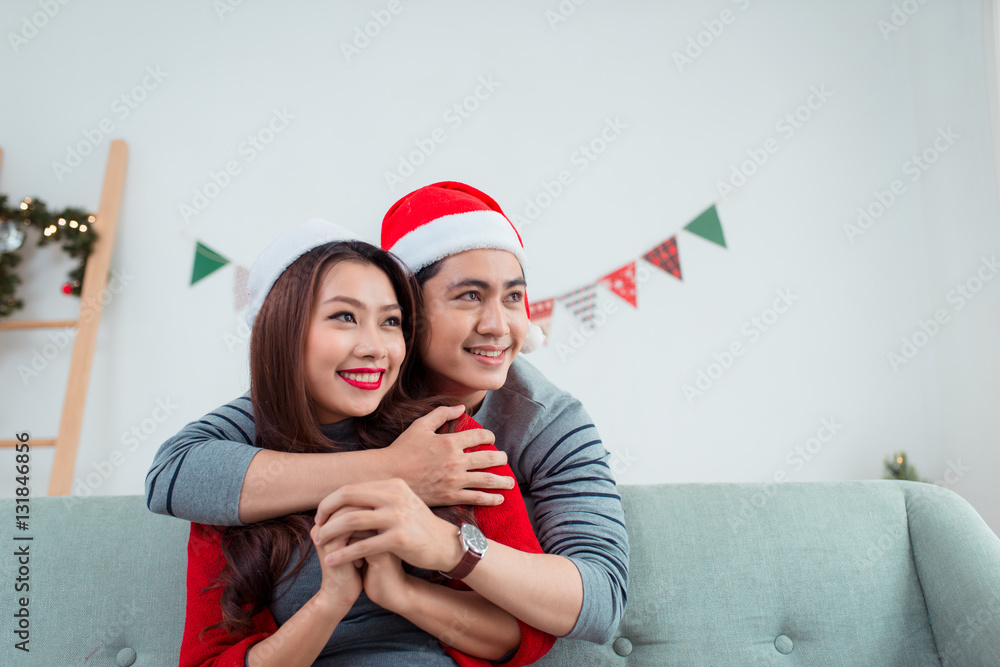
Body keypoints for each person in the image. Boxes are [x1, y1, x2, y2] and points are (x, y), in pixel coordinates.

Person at [148, 183, 629, 643]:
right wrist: (395, 469)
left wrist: (444, 547)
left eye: (513, 297)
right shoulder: (353, 381)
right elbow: (177, 471)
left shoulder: (548, 420)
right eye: (469, 296)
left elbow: (601, 600)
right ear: (410, 311)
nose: (497, 325)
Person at [179, 221, 555, 666]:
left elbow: (525, 633)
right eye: (344, 317)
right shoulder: (239, 480)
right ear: (282, 333)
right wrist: (329, 603)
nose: (375, 347)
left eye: (391, 322)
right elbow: (208, 660)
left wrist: (401, 591)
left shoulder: (450, 441)